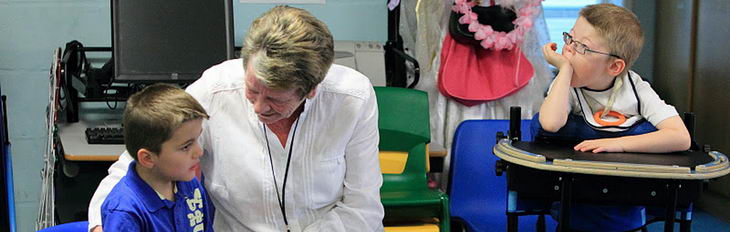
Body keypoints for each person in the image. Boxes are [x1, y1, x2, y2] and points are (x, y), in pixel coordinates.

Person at [88, 5, 384, 232]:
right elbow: (137, 162)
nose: (257, 107)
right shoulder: (216, 89)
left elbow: (363, 209)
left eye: (275, 100)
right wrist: (102, 221)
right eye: (252, 90)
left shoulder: (352, 100)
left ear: (311, 90)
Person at [536, 3, 691, 231]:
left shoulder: (636, 89)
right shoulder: (566, 84)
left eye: (581, 47)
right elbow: (550, 124)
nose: (567, 50)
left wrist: (615, 143)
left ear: (615, 66)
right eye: (569, 39)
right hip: (576, 200)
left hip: (626, 198)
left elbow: (680, 137)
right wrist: (565, 70)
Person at [100, 83, 214, 231]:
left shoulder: (190, 185)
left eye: (197, 139)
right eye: (186, 146)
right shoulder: (125, 211)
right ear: (147, 158)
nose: (199, 151)